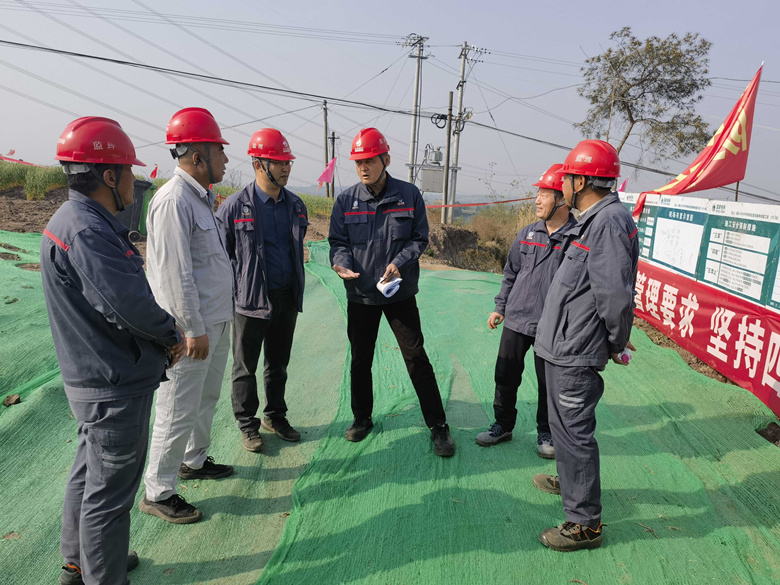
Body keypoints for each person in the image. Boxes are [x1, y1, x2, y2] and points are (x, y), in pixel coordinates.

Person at [40, 117, 184, 585]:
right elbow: (128, 306)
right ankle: (103, 574)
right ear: (108, 176)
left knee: (88, 475)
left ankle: (79, 564)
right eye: (127, 171)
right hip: (112, 382)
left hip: (95, 378)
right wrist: (172, 333)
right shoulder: (87, 230)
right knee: (110, 496)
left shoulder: (77, 221)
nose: (132, 182)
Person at [533, 140, 639, 552]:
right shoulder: (592, 218)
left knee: (575, 432)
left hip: (577, 348)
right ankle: (570, 479)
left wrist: (616, 341)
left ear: (582, 180)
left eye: (568, 179)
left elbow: (613, 294)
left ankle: (585, 525)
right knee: (563, 427)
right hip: (563, 343)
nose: (563, 186)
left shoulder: (608, 222)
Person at [328, 127, 454, 457]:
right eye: (358, 163)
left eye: (369, 160)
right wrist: (341, 264)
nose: (363, 167)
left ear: (385, 159)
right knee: (360, 360)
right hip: (360, 296)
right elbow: (338, 243)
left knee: (416, 358)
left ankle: (438, 426)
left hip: (398, 294)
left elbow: (419, 238)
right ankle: (362, 418)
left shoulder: (409, 195)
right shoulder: (346, 200)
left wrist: (400, 262)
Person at [141, 107, 235, 524]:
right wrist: (191, 331)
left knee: (205, 399)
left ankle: (194, 461)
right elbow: (172, 274)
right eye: (219, 151)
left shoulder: (199, 198)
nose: (226, 160)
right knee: (177, 408)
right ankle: (158, 491)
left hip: (213, 322)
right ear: (198, 156)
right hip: (190, 331)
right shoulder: (173, 200)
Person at [215, 129, 308, 452]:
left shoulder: (296, 206)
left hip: (285, 297)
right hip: (249, 301)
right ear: (258, 164)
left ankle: (275, 415)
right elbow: (221, 255)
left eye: (288, 162)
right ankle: (247, 424)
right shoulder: (233, 208)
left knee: (278, 364)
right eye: (279, 162)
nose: (286, 168)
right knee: (245, 367)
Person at [476, 164, 576, 458]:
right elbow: (510, 274)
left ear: (562, 199)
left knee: (549, 383)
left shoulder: (576, 238)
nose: (537, 200)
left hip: (553, 326)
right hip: (517, 319)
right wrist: (500, 307)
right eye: (538, 194)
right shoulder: (527, 234)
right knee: (505, 374)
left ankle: (546, 432)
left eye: (545, 194)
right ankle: (502, 425)